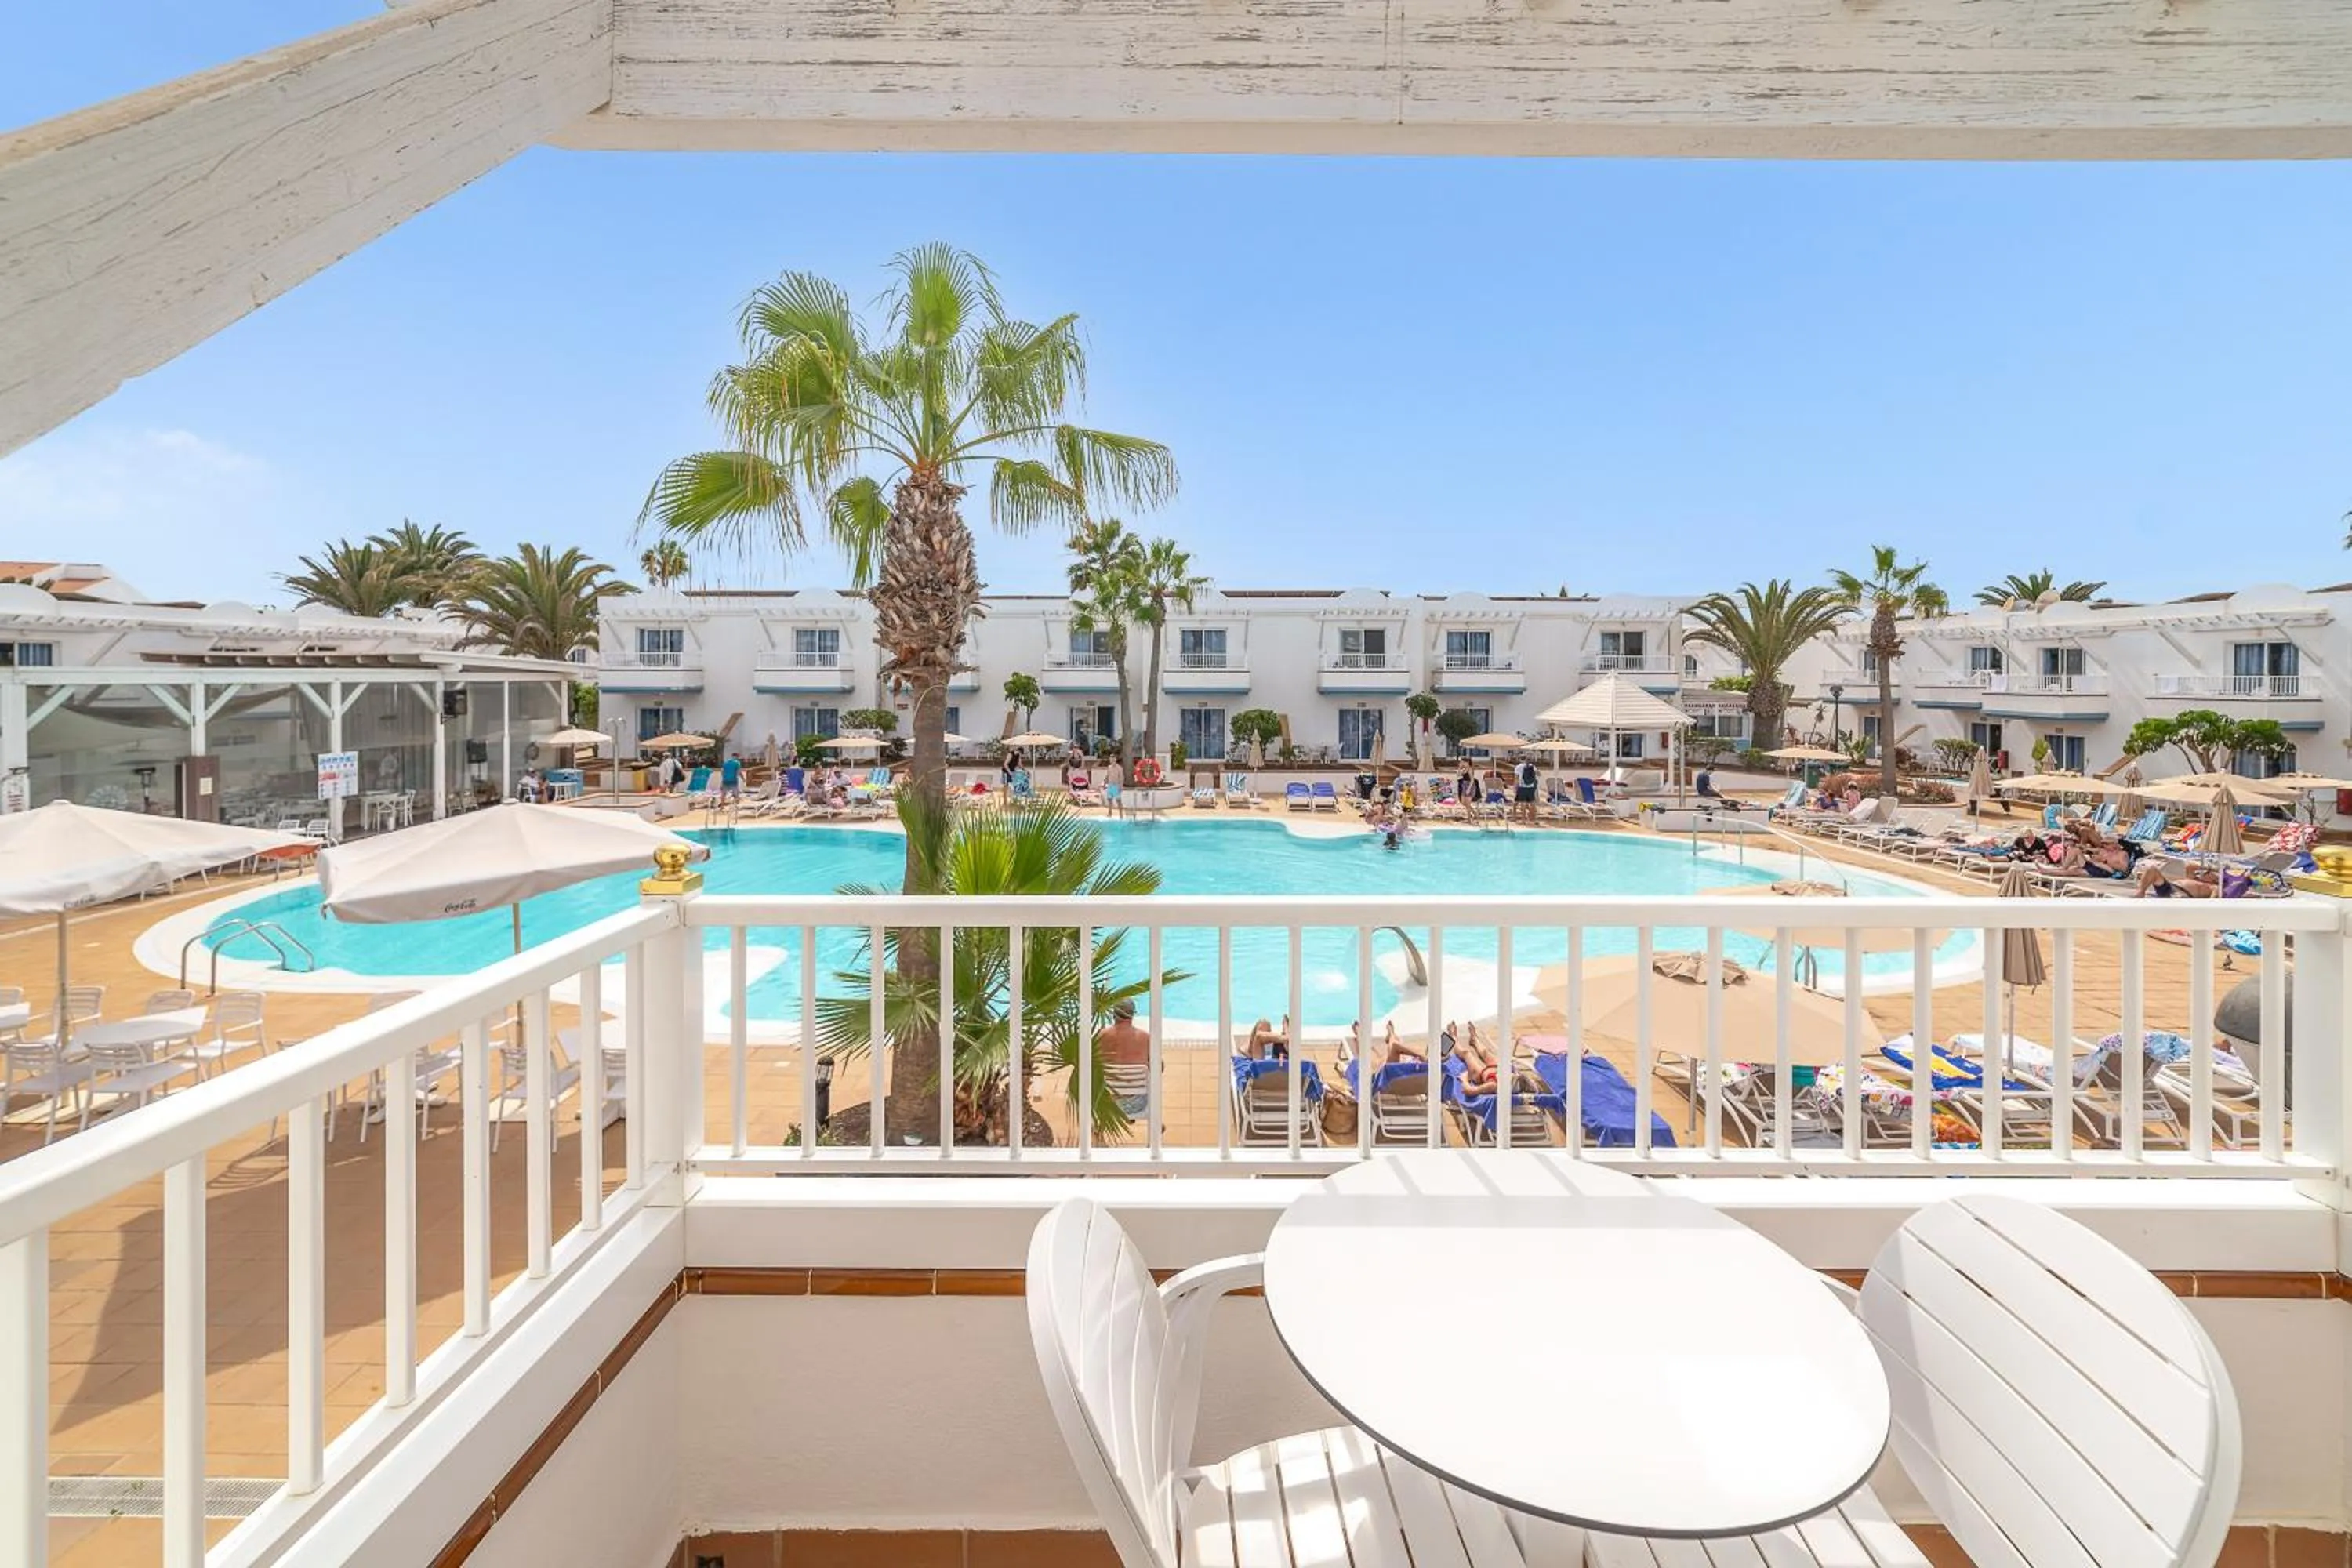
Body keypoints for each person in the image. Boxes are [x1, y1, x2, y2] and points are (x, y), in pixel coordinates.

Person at [1094, 1000, 1152, 1116]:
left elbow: (1094, 1066)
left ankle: (1096, 1127)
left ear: (1113, 1014)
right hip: (1136, 1105)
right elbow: (1158, 1068)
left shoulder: (1101, 1035)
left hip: (1107, 1104)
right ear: (1133, 1015)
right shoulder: (1145, 1037)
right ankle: (1156, 1119)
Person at [1512, 756, 1539, 822]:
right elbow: (1537, 775)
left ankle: (1523, 820)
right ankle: (1533, 819)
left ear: (1520, 760)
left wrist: (1515, 787)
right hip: (1531, 787)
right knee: (1532, 803)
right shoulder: (1532, 766)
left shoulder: (1518, 767)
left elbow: (1516, 778)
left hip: (1522, 787)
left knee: (1522, 803)